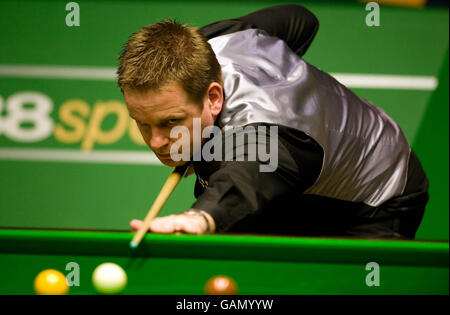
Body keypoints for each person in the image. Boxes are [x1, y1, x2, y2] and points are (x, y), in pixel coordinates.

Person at [117, 5, 429, 239]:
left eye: (171, 121)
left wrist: (201, 217)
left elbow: (244, 182)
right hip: (299, 171)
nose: (156, 142)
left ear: (213, 98)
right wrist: (281, 74)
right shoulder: (210, 43)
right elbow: (302, 20)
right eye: (143, 124)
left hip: (377, 195)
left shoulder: (265, 138)